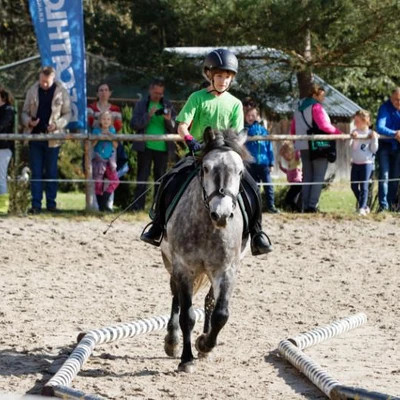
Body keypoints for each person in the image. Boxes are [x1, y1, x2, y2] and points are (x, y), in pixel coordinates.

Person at [141, 49, 272, 255]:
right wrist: (190, 140)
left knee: (252, 187)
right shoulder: (197, 98)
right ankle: (157, 226)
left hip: (225, 155)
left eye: (227, 77)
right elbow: (182, 125)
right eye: (219, 76)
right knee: (169, 180)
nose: (223, 81)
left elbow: (235, 135)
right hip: (199, 153)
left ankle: (257, 233)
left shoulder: (235, 104)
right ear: (210, 75)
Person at [21, 66, 71, 214]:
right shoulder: (32, 90)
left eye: (47, 82)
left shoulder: (62, 92)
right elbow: (24, 112)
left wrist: (57, 125)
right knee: (36, 172)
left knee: (51, 172)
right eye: (42, 81)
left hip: (53, 139)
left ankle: (51, 204)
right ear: (39, 78)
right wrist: (29, 121)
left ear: (53, 79)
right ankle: (36, 205)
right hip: (35, 137)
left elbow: (67, 114)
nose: (44, 84)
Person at [290, 84, 342, 212]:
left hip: (302, 144)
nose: (323, 98)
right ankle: (312, 206)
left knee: (307, 176)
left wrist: (295, 143)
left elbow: (293, 129)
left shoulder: (298, 108)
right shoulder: (316, 106)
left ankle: (305, 205)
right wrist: (338, 133)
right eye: (321, 95)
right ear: (314, 95)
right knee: (318, 176)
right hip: (317, 145)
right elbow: (324, 125)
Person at [130, 79, 177, 211]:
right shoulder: (141, 105)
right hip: (145, 147)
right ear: (150, 90)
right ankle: (138, 207)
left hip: (162, 148)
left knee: (160, 179)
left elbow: (175, 127)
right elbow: (134, 124)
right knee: (142, 178)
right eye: (156, 92)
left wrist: (168, 121)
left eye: (161, 93)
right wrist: (148, 116)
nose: (158, 96)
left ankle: (158, 208)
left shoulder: (168, 105)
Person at [87, 82, 125, 210]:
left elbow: (118, 126)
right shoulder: (91, 108)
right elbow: (90, 124)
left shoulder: (115, 109)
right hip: (96, 154)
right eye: (101, 90)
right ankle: (96, 205)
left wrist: (109, 133)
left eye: (106, 90)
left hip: (111, 153)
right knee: (97, 180)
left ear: (110, 92)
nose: (103, 92)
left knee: (112, 178)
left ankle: (108, 203)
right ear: (97, 93)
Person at [244, 106, 279, 213]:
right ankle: (254, 207)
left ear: (257, 116)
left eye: (253, 115)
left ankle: (271, 206)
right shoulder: (245, 130)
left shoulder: (263, 130)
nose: (251, 117)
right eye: (249, 115)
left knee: (269, 186)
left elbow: (269, 147)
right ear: (245, 116)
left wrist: (271, 162)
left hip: (264, 163)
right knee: (254, 187)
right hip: (251, 164)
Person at [375, 87, 400, 212]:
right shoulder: (385, 108)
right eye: (396, 100)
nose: (398, 103)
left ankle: (390, 205)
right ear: (391, 97)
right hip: (385, 146)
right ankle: (383, 206)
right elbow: (380, 127)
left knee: (395, 177)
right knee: (384, 176)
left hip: (398, 147)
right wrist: (395, 133)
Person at [350, 110, 379, 215]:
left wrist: (374, 139)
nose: (355, 123)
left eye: (357, 121)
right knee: (353, 186)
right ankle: (365, 204)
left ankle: (362, 207)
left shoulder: (371, 133)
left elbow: (374, 149)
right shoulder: (355, 131)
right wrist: (355, 138)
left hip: (367, 163)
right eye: (355, 121)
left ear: (365, 121)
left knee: (364, 186)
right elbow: (353, 147)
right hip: (356, 162)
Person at [92, 111, 120, 212]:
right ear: (100, 120)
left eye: (108, 119)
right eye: (103, 119)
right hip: (99, 160)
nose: (106, 121)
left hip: (109, 161)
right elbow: (92, 144)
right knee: (98, 184)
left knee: (115, 180)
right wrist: (100, 135)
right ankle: (101, 207)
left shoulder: (112, 130)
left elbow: (116, 145)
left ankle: (105, 200)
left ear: (111, 121)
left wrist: (110, 135)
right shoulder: (95, 131)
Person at [0, 88, 15, 213]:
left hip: (4, 148)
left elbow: (2, 125)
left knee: (1, 177)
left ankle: (3, 207)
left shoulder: (8, 110)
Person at [279, 140, 303, 212]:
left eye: (285, 155)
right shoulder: (290, 162)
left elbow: (298, 153)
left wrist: (296, 144)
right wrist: (281, 168)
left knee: (289, 199)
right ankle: (295, 210)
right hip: (293, 183)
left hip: (297, 182)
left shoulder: (295, 159)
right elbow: (288, 172)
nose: (285, 158)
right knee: (290, 199)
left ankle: (297, 210)